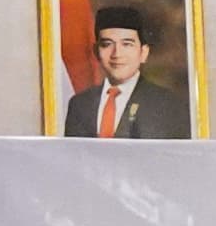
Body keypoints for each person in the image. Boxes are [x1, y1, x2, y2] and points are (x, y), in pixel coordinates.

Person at [69, 9, 189, 139]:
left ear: (143, 53)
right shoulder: (80, 104)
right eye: (107, 44)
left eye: (127, 44)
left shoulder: (167, 104)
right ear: (96, 52)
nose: (117, 54)